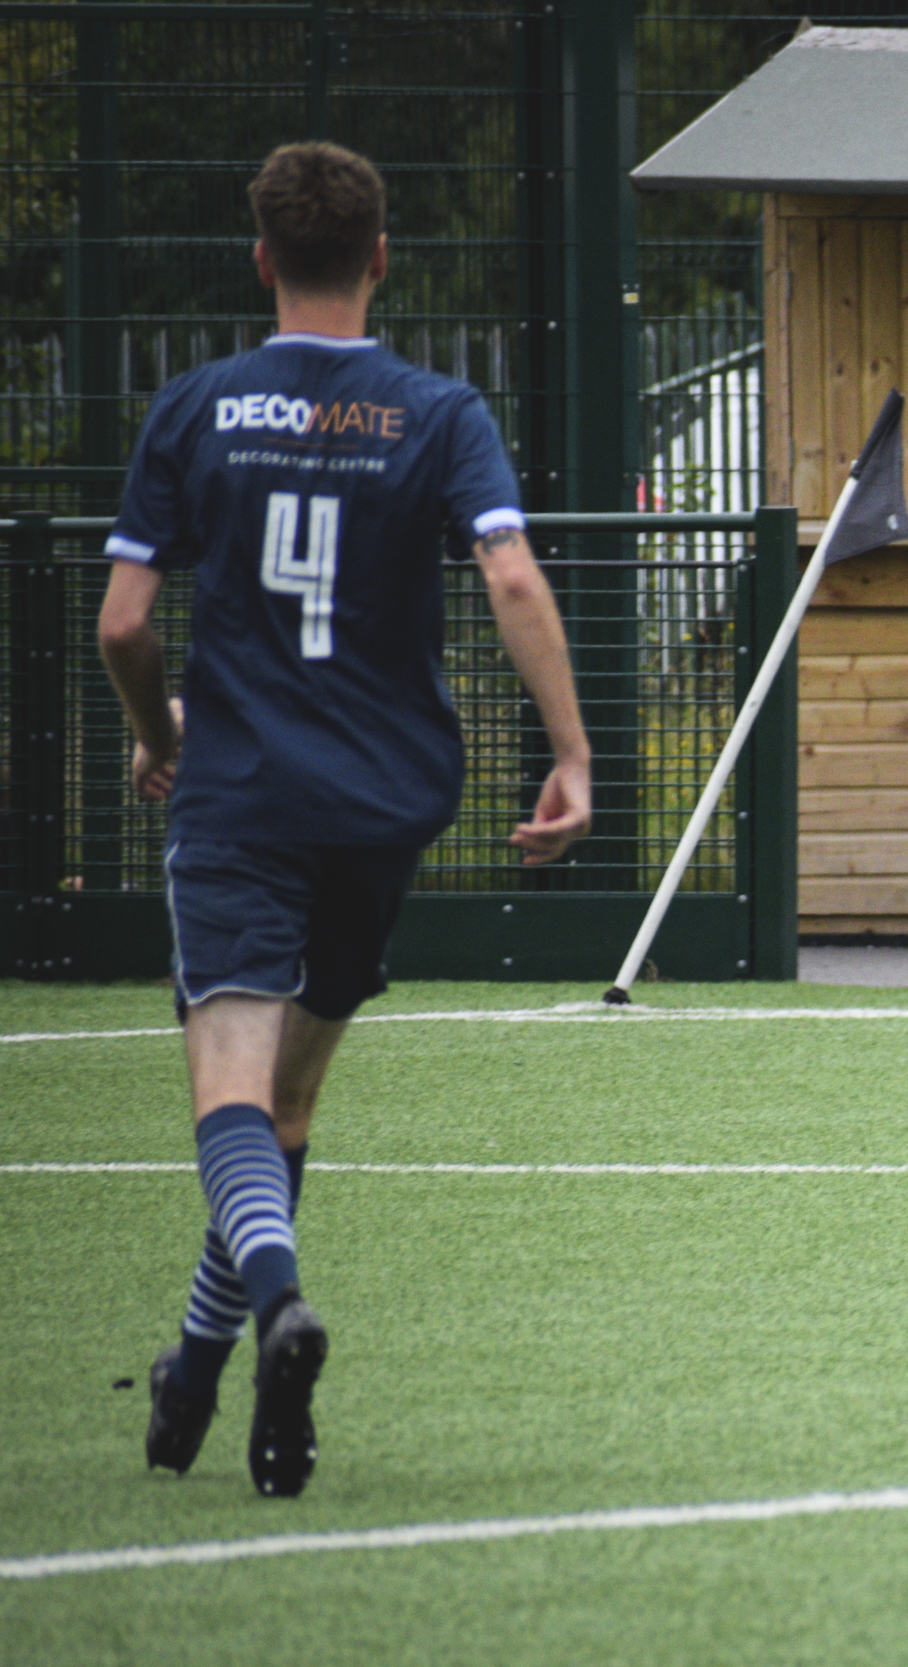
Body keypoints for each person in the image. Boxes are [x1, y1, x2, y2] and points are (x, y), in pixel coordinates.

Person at [98, 142, 592, 1496]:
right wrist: (571, 752)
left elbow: (127, 619)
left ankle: (275, 1308)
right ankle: (207, 1370)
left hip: (243, 793)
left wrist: (156, 741)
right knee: (294, 1096)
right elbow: (511, 579)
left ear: (261, 260)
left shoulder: (196, 407)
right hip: (387, 801)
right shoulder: (437, 410)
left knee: (233, 1092)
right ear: (381, 258)